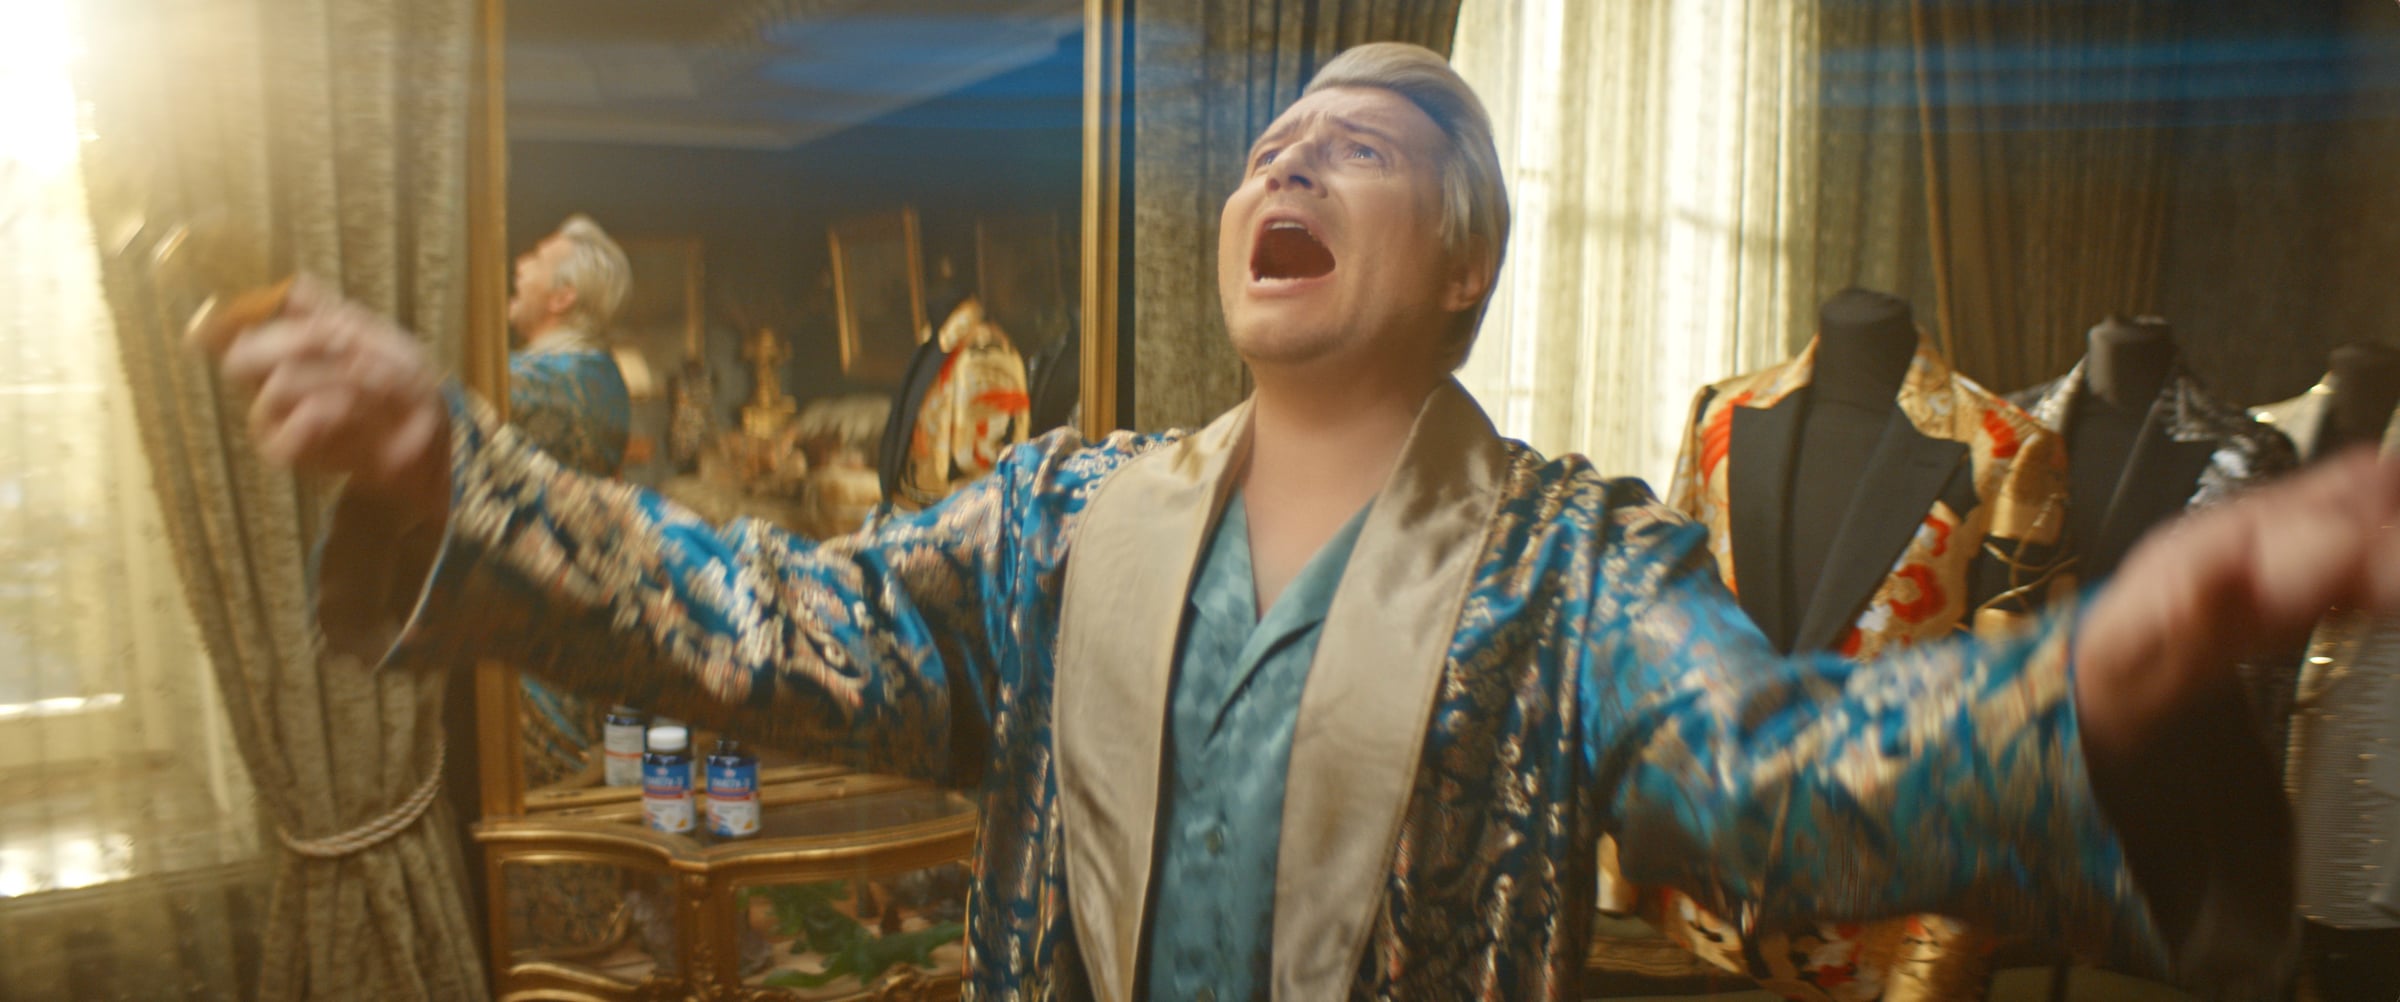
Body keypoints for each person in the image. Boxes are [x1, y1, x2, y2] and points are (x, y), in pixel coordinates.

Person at [201, 43, 2400, 1001]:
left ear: (1465, 264)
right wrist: (454, 466)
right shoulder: (1052, 520)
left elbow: (1778, 776)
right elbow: (764, 614)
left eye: (1361, 144)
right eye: (1273, 143)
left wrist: (2120, 653)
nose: (1289, 161)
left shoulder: (1575, 566)